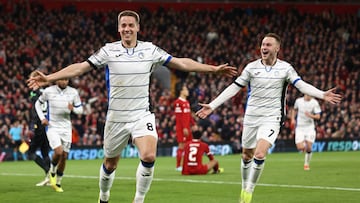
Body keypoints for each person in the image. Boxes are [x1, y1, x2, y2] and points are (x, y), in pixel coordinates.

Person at [27, 10, 237, 203]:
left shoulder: (150, 49)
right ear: (118, 29)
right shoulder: (108, 51)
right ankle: (104, 196)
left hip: (141, 115)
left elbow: (181, 63)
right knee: (110, 164)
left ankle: (138, 200)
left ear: (138, 27)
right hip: (116, 117)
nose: (127, 28)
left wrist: (213, 69)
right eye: (123, 25)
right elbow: (80, 68)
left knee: (149, 156)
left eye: (131, 25)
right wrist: (49, 78)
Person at [195, 33, 342, 203]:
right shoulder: (251, 68)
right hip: (251, 117)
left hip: (272, 117)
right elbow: (234, 88)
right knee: (246, 155)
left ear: (277, 48)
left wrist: (322, 94)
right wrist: (213, 105)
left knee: (259, 153)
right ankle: (244, 186)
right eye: (263, 44)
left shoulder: (286, 68)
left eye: (268, 45)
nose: (264, 47)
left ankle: (250, 189)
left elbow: (301, 85)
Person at [35, 78, 83, 192]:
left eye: (66, 79)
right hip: (52, 126)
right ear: (57, 81)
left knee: (65, 156)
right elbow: (38, 104)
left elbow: (80, 110)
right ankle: (52, 171)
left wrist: (74, 110)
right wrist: (42, 118)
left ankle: (58, 182)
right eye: (62, 79)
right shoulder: (48, 91)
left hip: (66, 128)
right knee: (58, 151)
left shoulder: (73, 92)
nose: (64, 81)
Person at [28, 71, 51, 186]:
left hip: (39, 124)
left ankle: (49, 172)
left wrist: (32, 127)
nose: (30, 82)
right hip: (47, 124)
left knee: (31, 152)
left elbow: (35, 111)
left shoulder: (35, 93)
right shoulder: (45, 92)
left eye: (31, 80)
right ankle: (50, 178)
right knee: (44, 152)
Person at [291, 94, 321, 171]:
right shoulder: (298, 101)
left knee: (309, 147)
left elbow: (318, 116)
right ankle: (305, 145)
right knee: (300, 147)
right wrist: (292, 119)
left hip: (309, 128)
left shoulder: (314, 102)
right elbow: (294, 109)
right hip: (300, 127)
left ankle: (306, 164)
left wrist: (310, 115)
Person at [174, 83, 193, 171]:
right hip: (182, 128)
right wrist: (184, 127)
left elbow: (188, 116)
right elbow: (179, 117)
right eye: (186, 89)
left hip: (187, 128)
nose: (187, 91)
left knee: (188, 146)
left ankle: (187, 163)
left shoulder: (187, 102)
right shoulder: (178, 103)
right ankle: (178, 166)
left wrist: (193, 124)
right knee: (181, 146)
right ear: (181, 91)